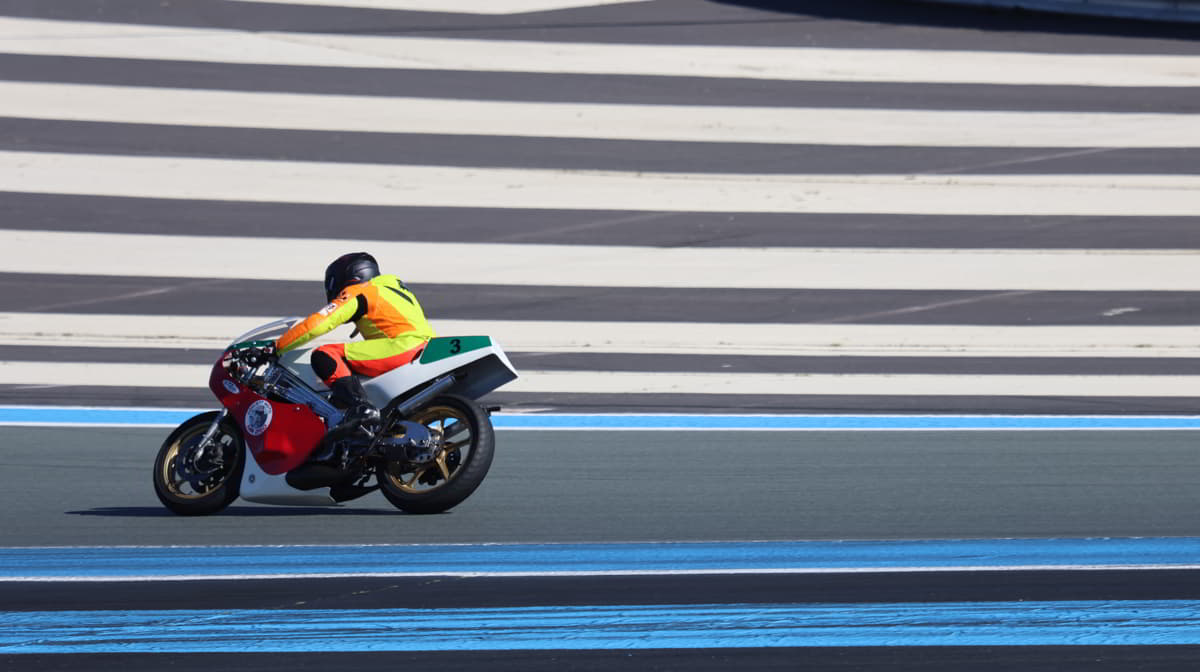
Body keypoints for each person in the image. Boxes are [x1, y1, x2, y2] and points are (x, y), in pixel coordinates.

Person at [275, 252, 435, 428]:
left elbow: (318, 324)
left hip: (403, 347)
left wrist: (277, 346)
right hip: (427, 347)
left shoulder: (360, 291)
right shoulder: (392, 287)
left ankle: (359, 409)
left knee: (325, 353)